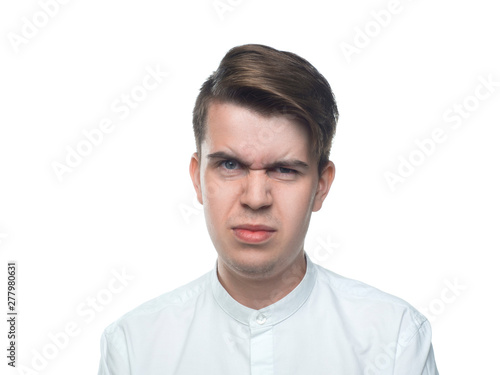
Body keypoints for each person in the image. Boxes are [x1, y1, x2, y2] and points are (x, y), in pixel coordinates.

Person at [98, 44, 439, 374]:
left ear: (321, 185)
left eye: (284, 169)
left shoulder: (396, 340)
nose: (256, 198)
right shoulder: (134, 348)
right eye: (230, 165)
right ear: (197, 178)